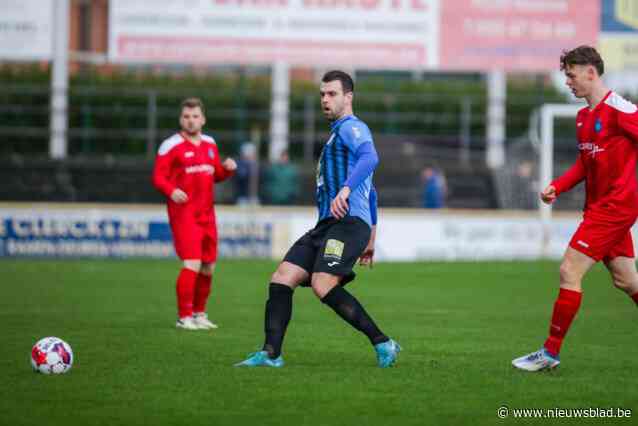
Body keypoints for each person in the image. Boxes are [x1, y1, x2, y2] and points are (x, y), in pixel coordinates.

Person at [235, 70, 400, 368]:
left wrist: (346, 191)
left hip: (348, 224)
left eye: (332, 94)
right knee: (282, 277)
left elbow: (371, 157)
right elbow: (372, 192)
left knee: (323, 283)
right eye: (322, 94)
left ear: (348, 97)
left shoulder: (353, 128)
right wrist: (372, 238)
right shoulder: (337, 136)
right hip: (327, 226)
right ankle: (271, 354)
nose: (325, 99)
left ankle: (383, 342)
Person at [512, 46, 638, 372]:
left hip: (615, 207)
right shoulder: (584, 117)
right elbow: (585, 163)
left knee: (569, 270)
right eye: (566, 75)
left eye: (571, 74)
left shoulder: (620, 109)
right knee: (627, 281)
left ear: (591, 73)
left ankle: (549, 353)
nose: (567, 81)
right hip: (599, 207)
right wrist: (559, 185)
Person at [152, 98, 237, 330]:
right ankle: (184, 317)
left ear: (203, 119)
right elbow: (158, 176)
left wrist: (227, 170)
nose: (191, 121)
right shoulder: (170, 145)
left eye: (195, 116)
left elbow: (215, 174)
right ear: (181, 119)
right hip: (184, 213)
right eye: (187, 117)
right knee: (192, 262)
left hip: (207, 214)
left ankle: (200, 314)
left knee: (208, 266)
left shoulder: (210, 143)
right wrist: (172, 191)